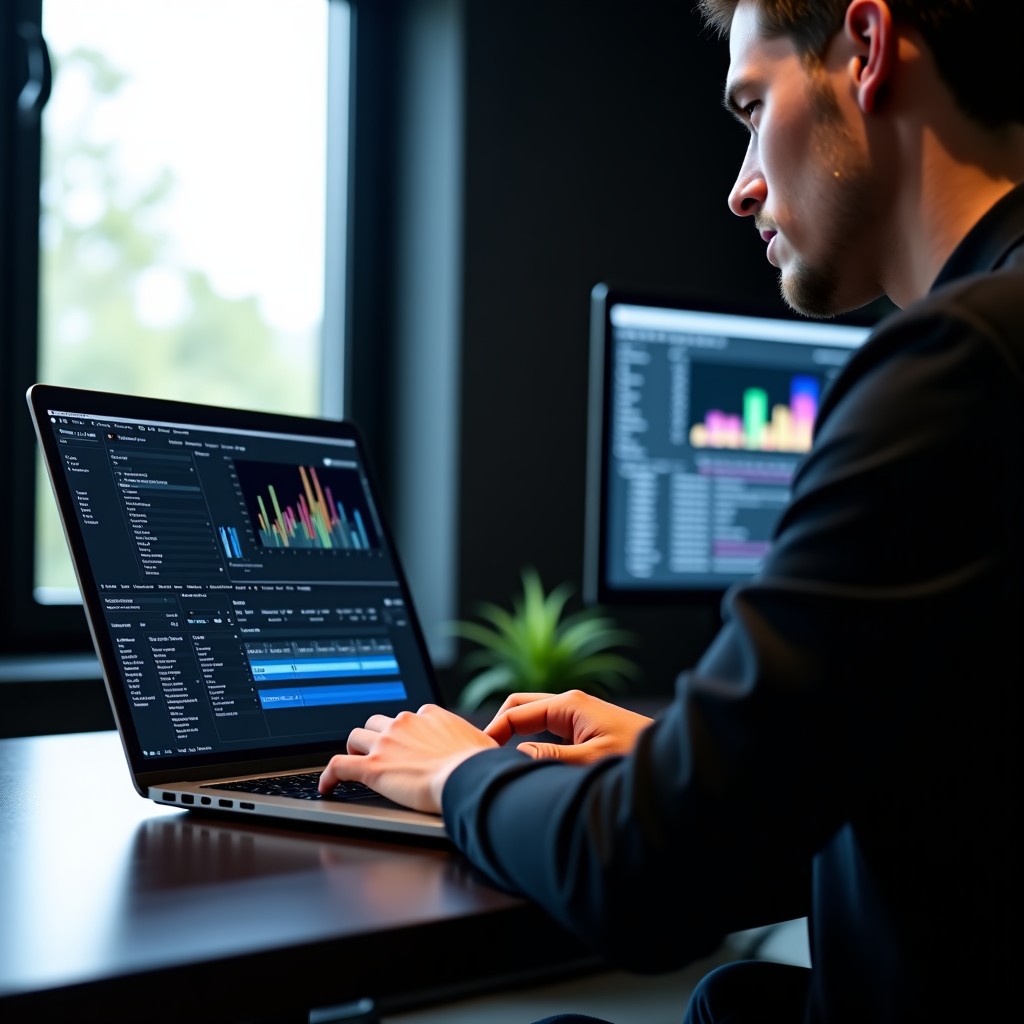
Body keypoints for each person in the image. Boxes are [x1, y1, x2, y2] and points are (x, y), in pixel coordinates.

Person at [320, 1, 1023, 1020]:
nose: (740, 187)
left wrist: (461, 774)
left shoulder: (957, 368)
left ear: (865, 50)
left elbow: (648, 878)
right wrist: (682, 760)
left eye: (751, 106)